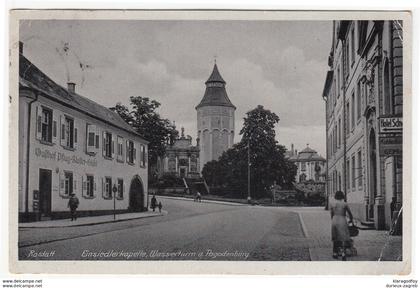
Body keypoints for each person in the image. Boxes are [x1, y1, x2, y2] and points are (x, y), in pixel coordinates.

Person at [330, 190, 353, 260]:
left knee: (335, 237)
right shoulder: (345, 204)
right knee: (343, 238)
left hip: (334, 219)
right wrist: (351, 220)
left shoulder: (332, 204)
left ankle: (335, 253)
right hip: (342, 220)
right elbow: (350, 214)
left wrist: (333, 219)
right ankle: (343, 253)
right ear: (342, 196)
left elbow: (331, 214)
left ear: (336, 196)